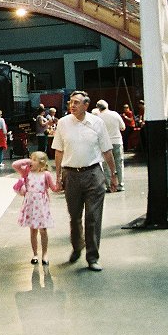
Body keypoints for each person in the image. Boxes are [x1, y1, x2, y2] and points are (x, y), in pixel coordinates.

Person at [52, 91, 117, 271]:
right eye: (71, 102)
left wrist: (114, 174)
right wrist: (57, 177)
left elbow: (107, 150)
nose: (72, 105)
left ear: (86, 105)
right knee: (74, 217)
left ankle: (93, 257)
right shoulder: (63, 123)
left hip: (94, 174)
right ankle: (77, 247)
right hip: (71, 175)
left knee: (93, 218)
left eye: (76, 103)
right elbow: (58, 151)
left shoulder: (97, 123)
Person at [13, 152, 61, 265]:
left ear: (42, 163)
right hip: (30, 204)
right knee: (33, 230)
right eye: (31, 159)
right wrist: (27, 161)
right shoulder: (26, 173)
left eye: (34, 160)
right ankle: (35, 254)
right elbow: (15, 164)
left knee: (43, 230)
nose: (31, 161)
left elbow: (53, 188)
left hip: (41, 205)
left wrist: (59, 185)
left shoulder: (46, 174)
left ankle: (45, 254)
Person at [94, 100, 126, 192]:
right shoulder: (115, 114)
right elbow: (123, 127)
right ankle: (120, 184)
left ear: (98, 108)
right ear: (107, 106)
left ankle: (109, 185)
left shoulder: (98, 117)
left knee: (106, 165)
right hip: (117, 141)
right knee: (119, 163)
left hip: (105, 143)